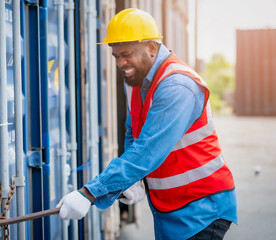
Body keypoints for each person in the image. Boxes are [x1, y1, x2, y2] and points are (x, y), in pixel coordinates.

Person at [57, 8, 238, 240]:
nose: (121, 63)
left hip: (202, 206)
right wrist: (132, 181)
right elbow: (134, 133)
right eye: (116, 56)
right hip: (170, 207)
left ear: (152, 47)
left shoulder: (177, 87)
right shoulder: (134, 80)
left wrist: (89, 193)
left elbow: (148, 150)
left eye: (127, 54)